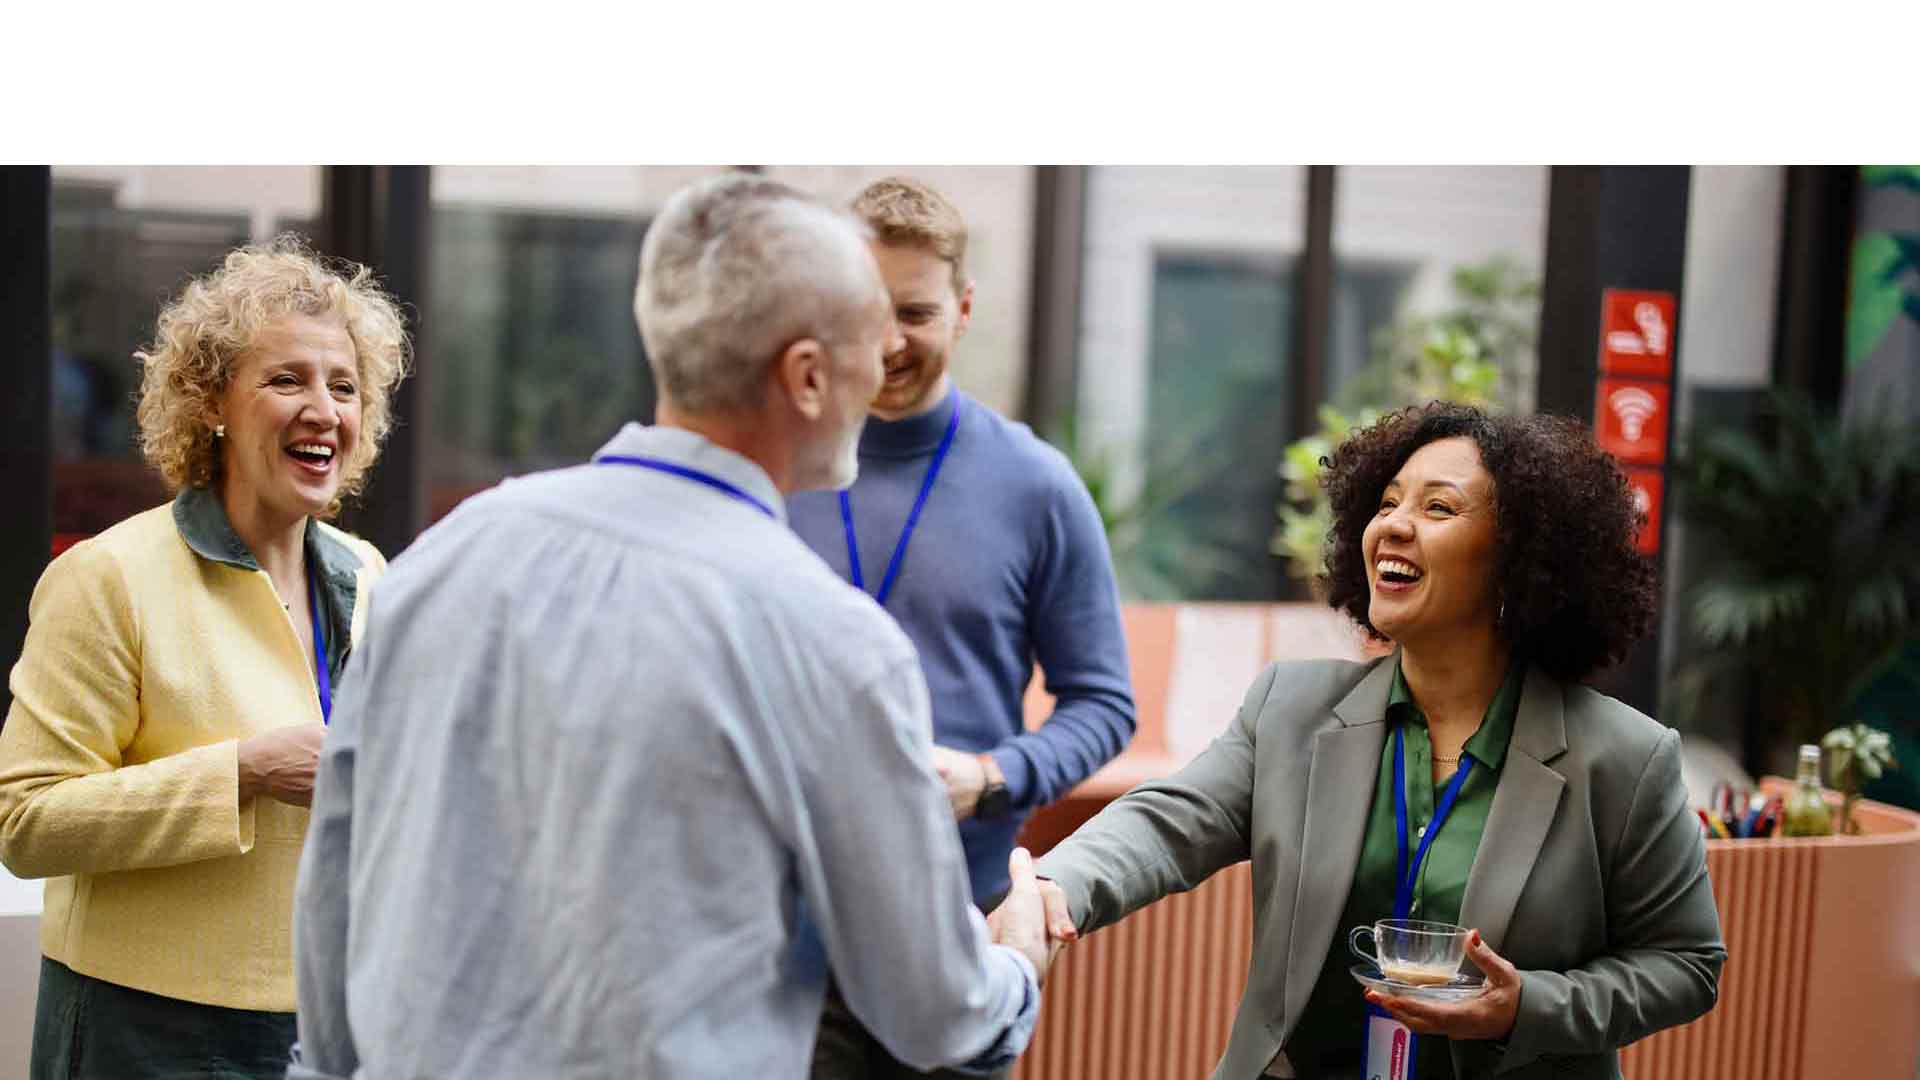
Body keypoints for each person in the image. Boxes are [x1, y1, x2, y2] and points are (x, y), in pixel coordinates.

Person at [287, 173, 1062, 1080]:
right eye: (869, 338)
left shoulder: (442, 560)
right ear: (808, 377)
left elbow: (334, 886)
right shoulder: (833, 647)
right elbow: (936, 1014)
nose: (886, 360)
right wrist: (1013, 963)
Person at [1031, 402, 1725, 1080]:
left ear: (1519, 558)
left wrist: (1527, 1008)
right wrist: (1051, 887)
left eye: (1438, 508)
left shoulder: (1627, 759)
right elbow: (1165, 824)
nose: (1393, 526)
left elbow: (1686, 963)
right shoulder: (1290, 710)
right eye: (1387, 503)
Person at [0, 237, 409, 1079]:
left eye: (345, 387)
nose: (324, 409)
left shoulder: (369, 576)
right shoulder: (108, 576)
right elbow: (26, 822)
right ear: (211, 400)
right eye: (286, 379)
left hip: (326, 1027)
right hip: (141, 1035)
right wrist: (246, 771)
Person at [788, 175, 1134, 1080]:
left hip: (960, 922)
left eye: (918, 311)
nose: (891, 340)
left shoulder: (1037, 484)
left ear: (965, 308)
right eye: (868, 309)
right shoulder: (773, 462)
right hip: (780, 923)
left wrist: (992, 776)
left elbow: (1103, 703)